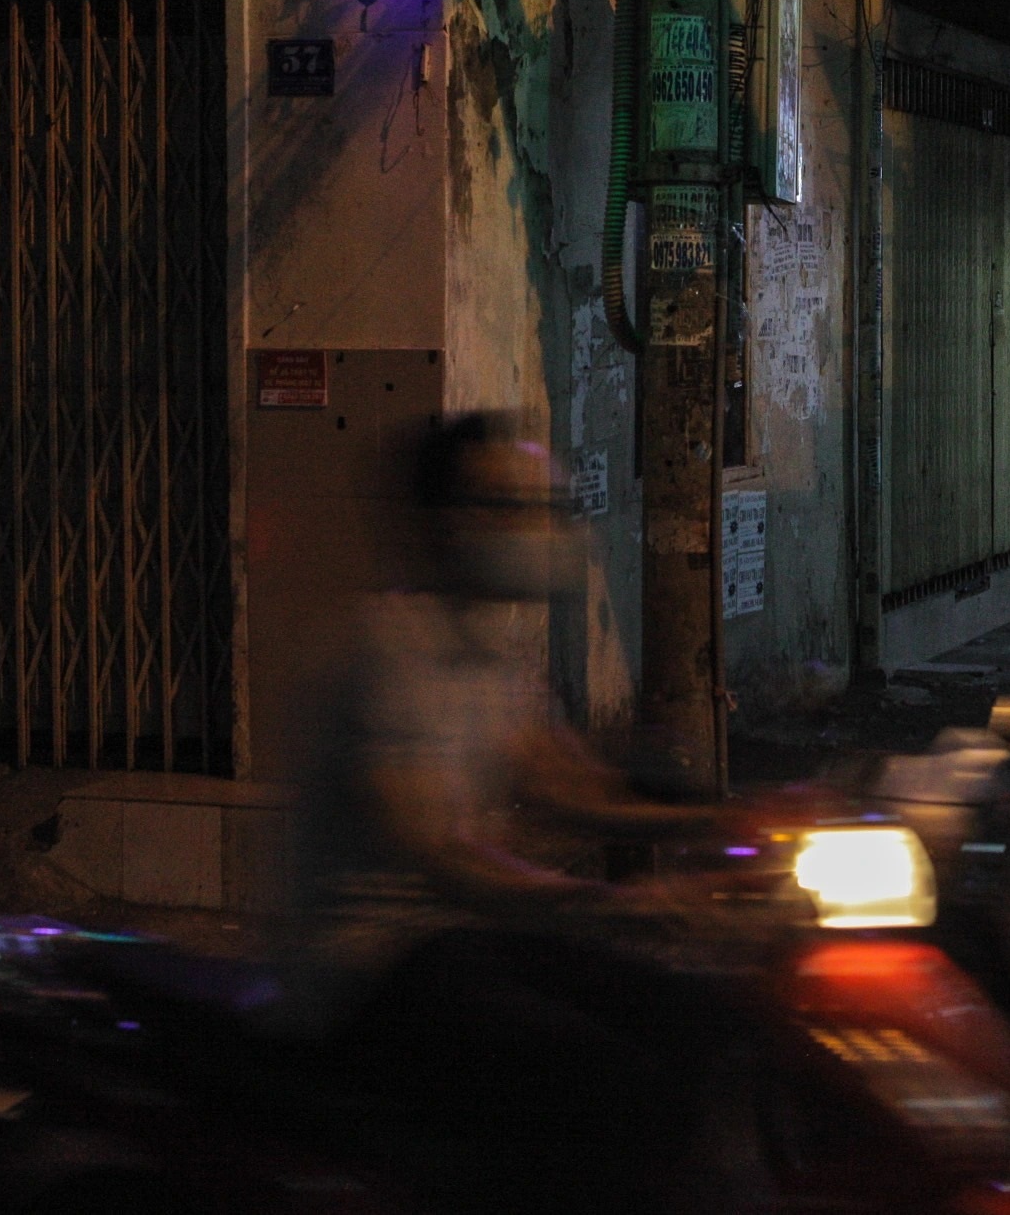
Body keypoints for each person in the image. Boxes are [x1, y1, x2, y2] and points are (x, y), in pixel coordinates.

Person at [274, 412, 717, 1213]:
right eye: (514, 507)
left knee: (695, 1016)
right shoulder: (385, 646)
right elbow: (435, 847)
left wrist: (720, 826)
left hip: (463, 945)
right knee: (612, 1084)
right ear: (450, 522)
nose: (544, 526)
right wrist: (598, 901)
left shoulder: (488, 646)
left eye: (544, 506)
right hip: (373, 971)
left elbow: (562, 780)